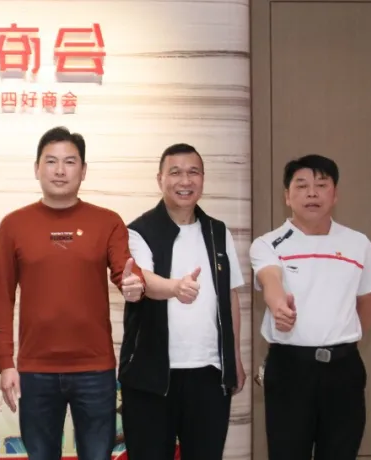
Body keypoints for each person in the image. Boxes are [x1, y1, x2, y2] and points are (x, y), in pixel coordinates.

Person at [0, 126, 145, 460]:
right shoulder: (13, 226)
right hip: (35, 370)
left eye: (70, 162)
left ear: (83, 170)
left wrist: (134, 285)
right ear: (37, 168)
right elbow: (2, 299)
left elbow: (126, 272)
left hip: (95, 369)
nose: (60, 170)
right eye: (51, 161)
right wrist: (5, 363)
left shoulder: (107, 222)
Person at [251, 154, 371, 460]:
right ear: (287, 196)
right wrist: (279, 306)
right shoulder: (268, 243)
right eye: (301, 186)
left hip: (344, 370)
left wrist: (341, 338)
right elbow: (270, 280)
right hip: (289, 369)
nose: (312, 193)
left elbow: (367, 301)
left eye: (321, 185)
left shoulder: (358, 243)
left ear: (335, 194)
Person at [117, 143, 246, 460]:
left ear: (203, 178)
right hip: (150, 377)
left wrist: (234, 359)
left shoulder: (218, 232)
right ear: (159, 179)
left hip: (209, 375)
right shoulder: (138, 231)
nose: (185, 181)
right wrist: (175, 288)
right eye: (175, 172)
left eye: (193, 172)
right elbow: (143, 281)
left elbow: (229, 296)